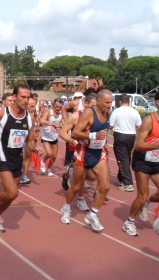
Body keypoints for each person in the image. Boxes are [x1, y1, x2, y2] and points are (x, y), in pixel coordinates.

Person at [0, 84, 39, 233]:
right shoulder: (2, 114)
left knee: (10, 197)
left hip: (17, 158)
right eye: (23, 97)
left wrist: (35, 148)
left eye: (28, 98)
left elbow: (30, 140)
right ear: (14, 97)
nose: (26, 100)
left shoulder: (30, 117)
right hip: (2, 156)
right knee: (13, 192)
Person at [71, 89, 113, 233]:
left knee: (105, 187)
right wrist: (94, 135)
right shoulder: (89, 112)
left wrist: (105, 142)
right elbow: (75, 132)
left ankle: (92, 215)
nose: (110, 105)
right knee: (76, 186)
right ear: (99, 101)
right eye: (107, 102)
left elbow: (104, 132)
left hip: (98, 152)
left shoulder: (108, 113)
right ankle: (66, 207)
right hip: (84, 152)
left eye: (111, 102)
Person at [122, 91, 159, 236]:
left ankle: (148, 202)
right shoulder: (149, 121)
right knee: (142, 195)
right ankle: (129, 222)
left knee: (147, 197)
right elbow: (139, 145)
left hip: (156, 161)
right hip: (142, 160)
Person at [59, 94, 99, 223]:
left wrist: (107, 145)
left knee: (92, 177)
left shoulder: (99, 117)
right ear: (86, 104)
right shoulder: (77, 116)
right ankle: (73, 204)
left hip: (93, 151)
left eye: (96, 106)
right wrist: (72, 141)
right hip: (77, 150)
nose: (95, 108)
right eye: (93, 106)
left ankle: (71, 172)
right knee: (78, 181)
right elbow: (63, 132)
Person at [110, 94, 142, 192]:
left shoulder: (116, 111)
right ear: (129, 101)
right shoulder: (135, 111)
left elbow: (111, 126)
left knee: (123, 158)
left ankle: (128, 182)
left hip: (120, 135)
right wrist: (132, 129)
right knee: (125, 157)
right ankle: (121, 179)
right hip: (131, 136)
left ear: (120, 101)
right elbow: (139, 126)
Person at [20, 97, 42, 184]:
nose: (33, 109)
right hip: (17, 141)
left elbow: (33, 129)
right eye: (31, 107)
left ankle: (24, 176)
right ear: (25, 105)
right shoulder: (18, 115)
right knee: (20, 157)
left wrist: (37, 134)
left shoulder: (32, 117)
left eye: (34, 106)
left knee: (27, 156)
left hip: (27, 140)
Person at [39, 98, 63, 176]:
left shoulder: (61, 115)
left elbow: (64, 124)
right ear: (54, 105)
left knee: (54, 156)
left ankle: (48, 169)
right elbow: (42, 120)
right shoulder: (49, 112)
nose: (58, 108)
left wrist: (61, 126)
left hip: (54, 137)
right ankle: (43, 162)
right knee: (49, 153)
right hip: (46, 136)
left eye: (60, 107)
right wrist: (52, 124)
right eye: (57, 106)